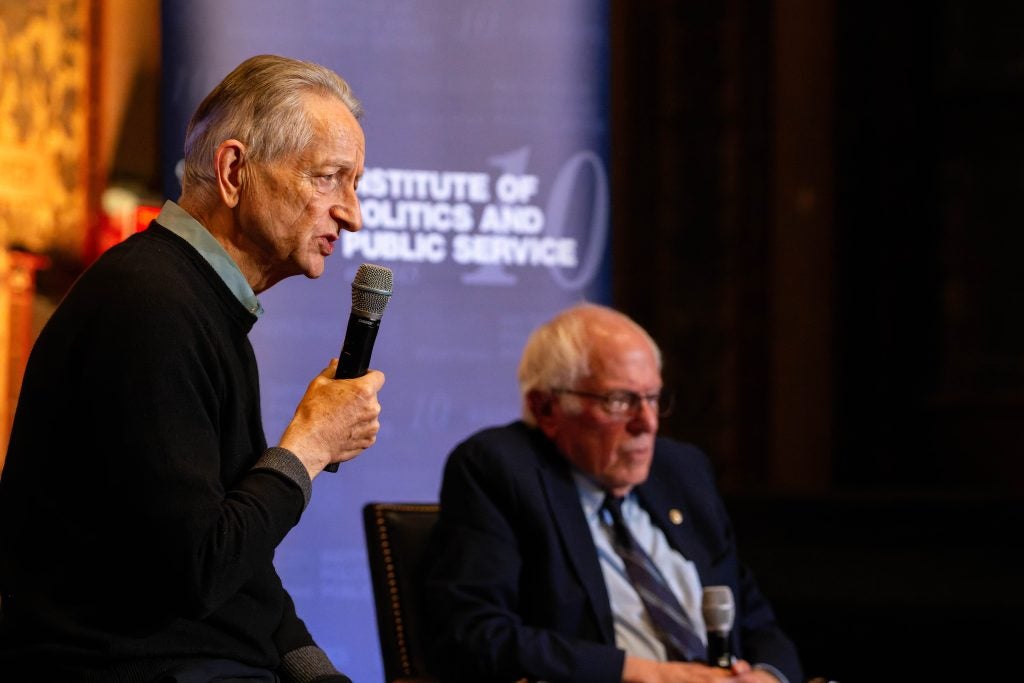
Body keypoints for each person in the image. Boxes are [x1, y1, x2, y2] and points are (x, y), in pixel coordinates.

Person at [0, 55, 382, 682]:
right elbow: (201, 569)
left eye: (355, 183)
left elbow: (246, 574)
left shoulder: (199, 304)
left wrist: (318, 674)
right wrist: (307, 448)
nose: (351, 213)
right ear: (235, 171)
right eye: (329, 178)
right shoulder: (148, 305)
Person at [421, 303, 803, 683]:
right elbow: (472, 634)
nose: (648, 423)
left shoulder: (682, 471)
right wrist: (648, 675)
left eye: (653, 398)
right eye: (619, 401)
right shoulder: (501, 470)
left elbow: (755, 621)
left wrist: (767, 676)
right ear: (547, 408)